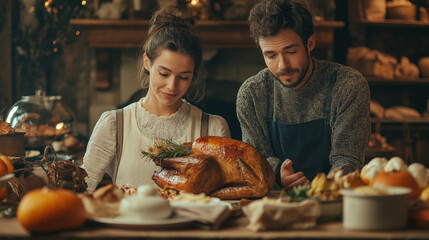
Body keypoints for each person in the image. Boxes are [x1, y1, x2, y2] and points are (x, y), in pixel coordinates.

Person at [82, 6, 231, 192]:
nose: (172, 86)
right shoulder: (114, 124)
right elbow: (83, 188)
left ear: (193, 74)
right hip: (126, 221)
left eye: (184, 77)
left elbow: (223, 196)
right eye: (164, 73)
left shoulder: (213, 128)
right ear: (147, 62)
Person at [236, 0, 370, 189]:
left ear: (310, 42)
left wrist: (323, 190)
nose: (282, 65)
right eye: (271, 55)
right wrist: (276, 174)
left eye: (290, 51)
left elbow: (347, 159)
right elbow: (255, 159)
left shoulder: (347, 85)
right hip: (276, 203)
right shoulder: (251, 94)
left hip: (334, 199)